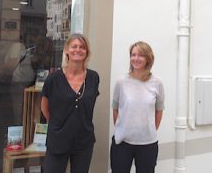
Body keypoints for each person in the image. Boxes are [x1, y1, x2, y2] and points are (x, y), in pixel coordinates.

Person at [41, 33, 100, 173]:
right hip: (58, 141)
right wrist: (59, 124)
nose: (78, 50)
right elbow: (45, 108)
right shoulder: (53, 79)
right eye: (74, 46)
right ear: (66, 50)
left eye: (82, 47)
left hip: (83, 142)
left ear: (86, 52)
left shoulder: (93, 78)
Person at [110, 41, 165, 173]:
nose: (136, 58)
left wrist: (147, 129)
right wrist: (123, 128)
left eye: (140, 55)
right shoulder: (121, 81)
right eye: (133, 55)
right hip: (122, 142)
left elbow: (159, 111)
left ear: (148, 58)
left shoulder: (157, 83)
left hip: (147, 144)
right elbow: (115, 108)